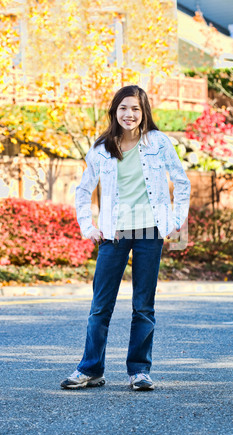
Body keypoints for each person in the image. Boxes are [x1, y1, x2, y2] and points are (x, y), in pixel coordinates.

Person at [60, 85, 190, 391]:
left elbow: (181, 182)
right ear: (114, 111)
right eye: (123, 108)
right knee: (100, 305)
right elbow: (83, 190)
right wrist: (87, 226)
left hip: (150, 234)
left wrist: (175, 222)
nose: (129, 114)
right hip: (112, 235)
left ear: (144, 112)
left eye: (135, 109)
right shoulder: (101, 148)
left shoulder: (158, 143)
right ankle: (91, 369)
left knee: (143, 305)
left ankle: (139, 371)